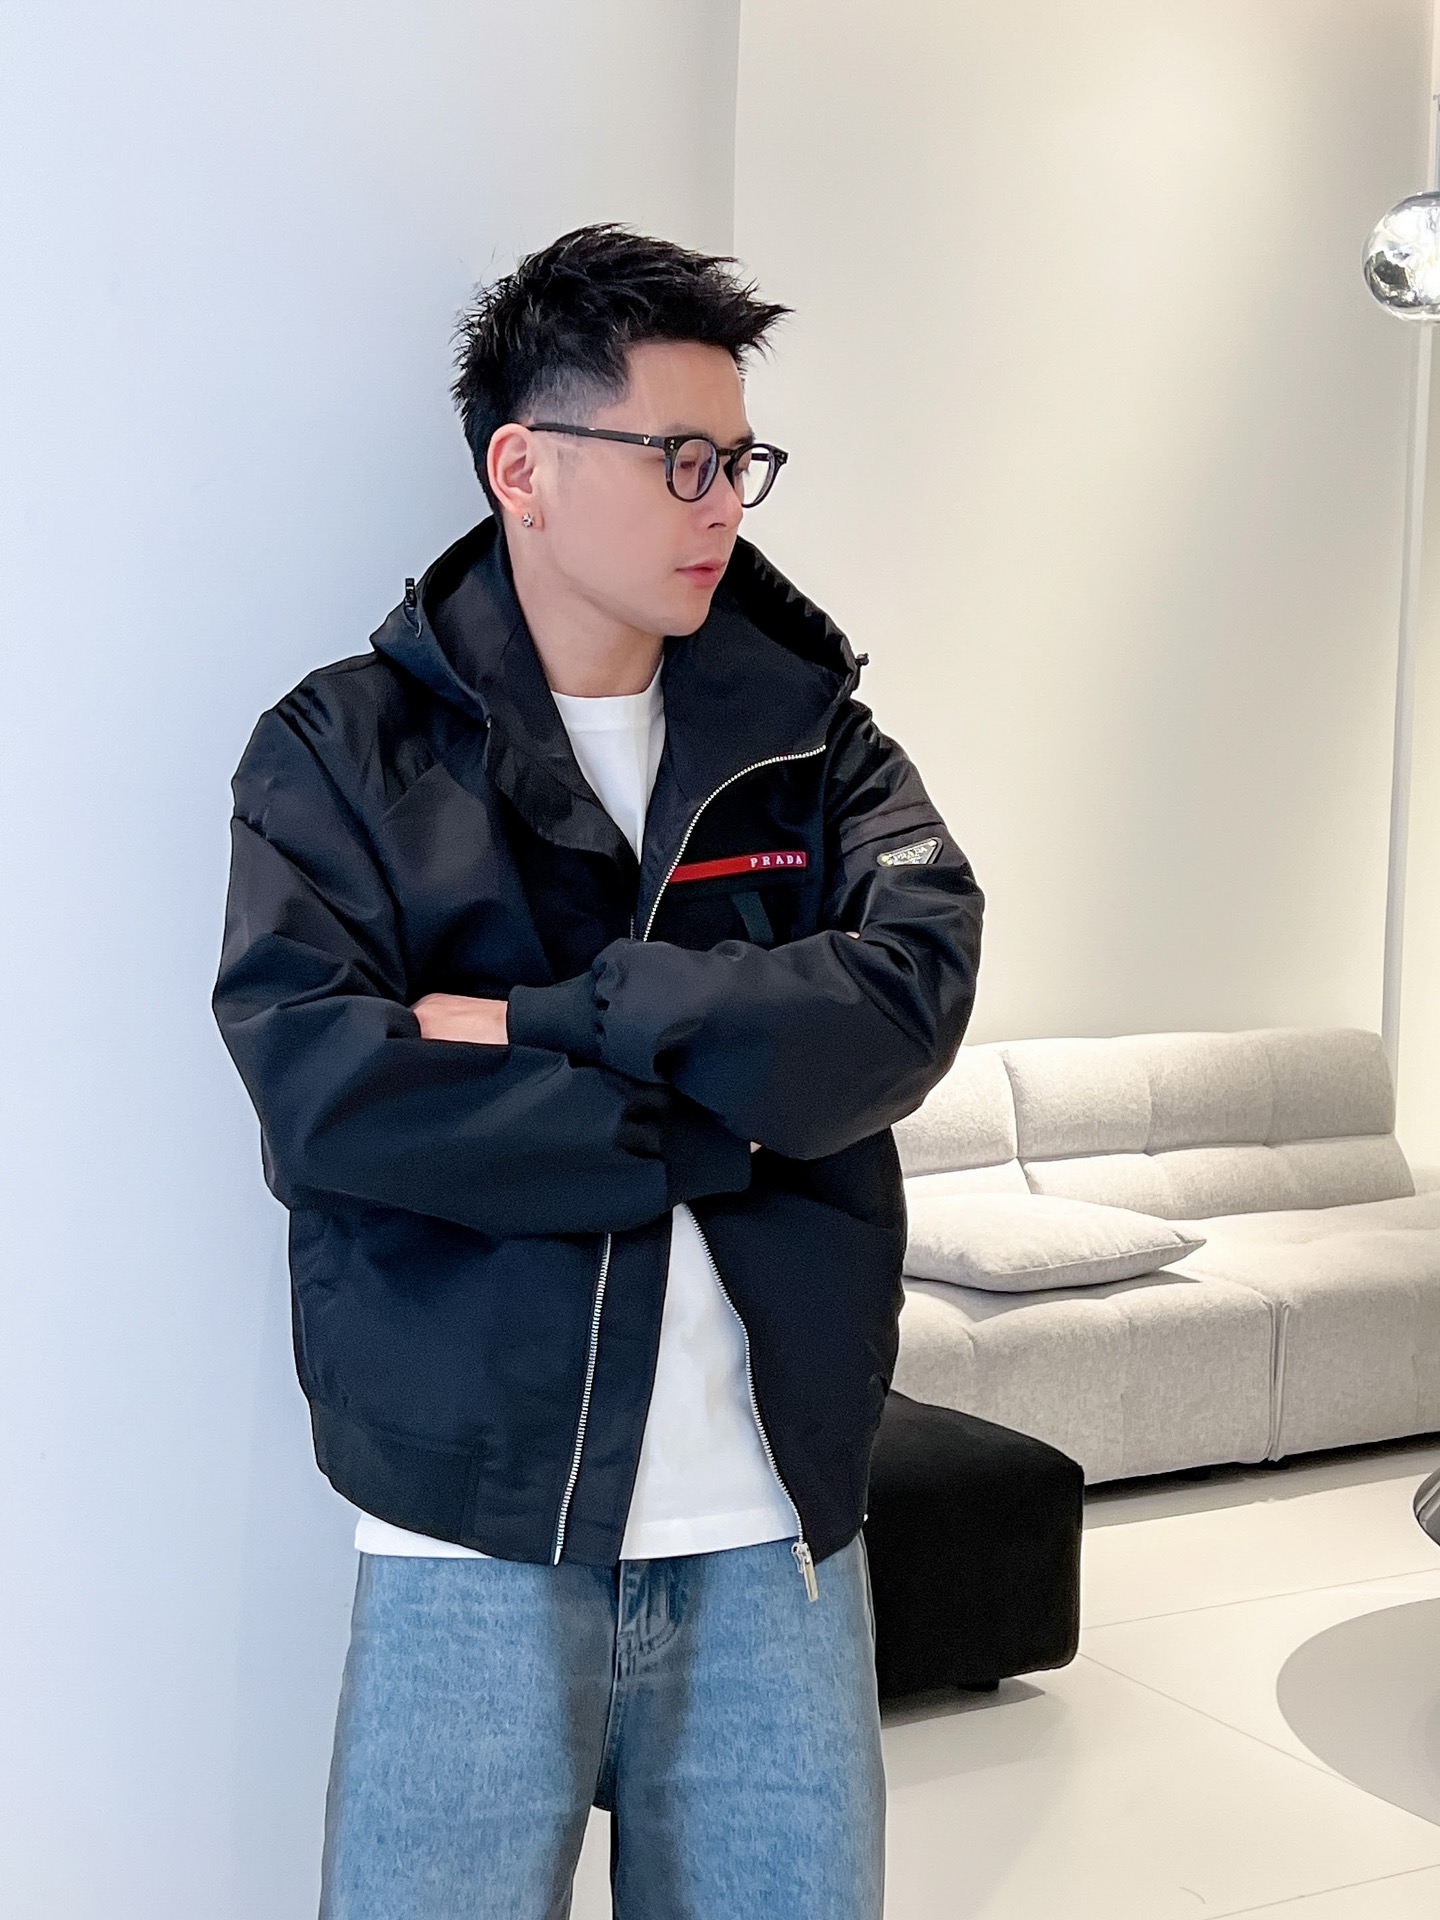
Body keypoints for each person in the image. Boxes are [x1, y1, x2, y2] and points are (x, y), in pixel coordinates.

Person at [214, 223, 983, 1920]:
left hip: (775, 1528)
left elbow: (908, 1000)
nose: (725, 505)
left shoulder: (816, 745)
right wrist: (739, 1119)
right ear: (526, 471)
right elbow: (331, 1096)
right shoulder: (341, 755)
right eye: (681, 459)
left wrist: (551, 1022)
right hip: (472, 1528)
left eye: (741, 462)